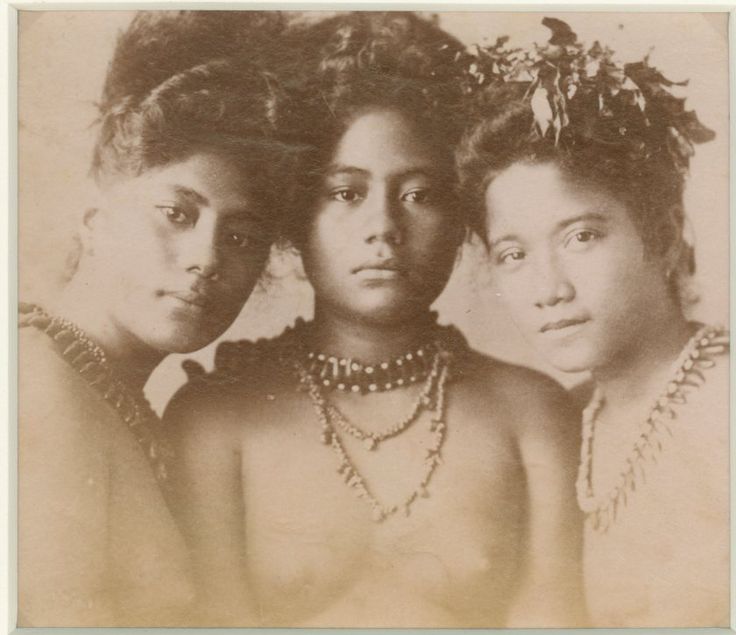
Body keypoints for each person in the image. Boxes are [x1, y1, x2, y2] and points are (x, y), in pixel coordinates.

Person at [165, 12, 586, 628]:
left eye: (420, 194)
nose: (384, 227)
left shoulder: (533, 414)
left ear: (463, 215)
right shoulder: (214, 417)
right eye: (345, 192)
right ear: (295, 216)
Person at [18, 11, 300, 626]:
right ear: (95, 221)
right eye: (177, 213)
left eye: (243, 236)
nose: (206, 259)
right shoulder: (38, 383)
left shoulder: (103, 387)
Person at [456, 18, 728, 627]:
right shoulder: (561, 424)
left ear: (660, 236)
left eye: (581, 236)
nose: (549, 290)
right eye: (514, 254)